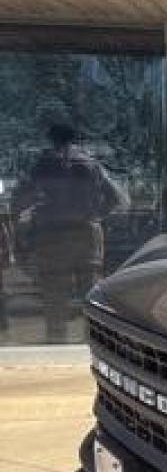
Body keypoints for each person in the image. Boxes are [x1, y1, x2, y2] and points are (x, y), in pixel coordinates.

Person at [13, 124, 127, 342]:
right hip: (86, 234)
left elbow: (19, 199)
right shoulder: (91, 165)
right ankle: (96, 343)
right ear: (76, 140)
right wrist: (95, 214)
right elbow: (120, 199)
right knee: (91, 294)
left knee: (54, 294)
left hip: (51, 235)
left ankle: (56, 341)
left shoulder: (42, 166)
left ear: (52, 139)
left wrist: (28, 218)